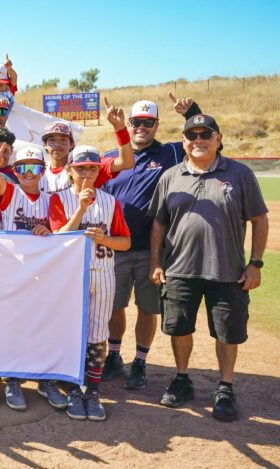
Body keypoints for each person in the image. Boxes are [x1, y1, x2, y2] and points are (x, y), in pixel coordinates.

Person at [148, 114, 268, 422]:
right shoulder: (170, 176)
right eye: (192, 135)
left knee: (227, 332)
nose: (198, 140)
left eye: (206, 134)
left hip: (227, 270)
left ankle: (225, 387)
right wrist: (156, 263)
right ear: (184, 141)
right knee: (179, 327)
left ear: (218, 138)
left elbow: (259, 218)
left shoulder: (239, 173)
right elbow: (159, 224)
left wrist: (255, 264)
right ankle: (182, 378)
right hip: (179, 268)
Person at [101, 94, 203, 389]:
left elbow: (204, 141)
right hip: (115, 246)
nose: (141, 127)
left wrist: (191, 113)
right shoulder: (112, 156)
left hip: (151, 250)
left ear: (157, 125)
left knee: (147, 308)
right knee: (114, 306)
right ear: (128, 124)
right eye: (136, 122)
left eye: (148, 122)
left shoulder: (169, 153)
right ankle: (115, 356)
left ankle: (140, 362)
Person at [49, 144, 132, 422]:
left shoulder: (110, 201)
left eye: (92, 168)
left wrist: (106, 239)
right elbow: (57, 238)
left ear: (99, 171)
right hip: (70, 275)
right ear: (70, 170)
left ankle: (92, 391)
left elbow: (125, 242)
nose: (86, 172)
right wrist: (81, 210)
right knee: (71, 331)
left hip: (103, 272)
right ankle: (73, 389)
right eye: (80, 167)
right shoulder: (59, 199)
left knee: (97, 333)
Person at [0, 143, 68, 410]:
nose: (28, 173)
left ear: (43, 170)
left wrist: (49, 231)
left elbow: (61, 232)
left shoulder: (52, 199)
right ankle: (12, 379)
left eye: (34, 167)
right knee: (14, 327)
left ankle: (45, 379)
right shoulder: (10, 191)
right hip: (12, 271)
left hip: (43, 274)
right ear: (16, 170)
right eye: (22, 168)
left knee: (44, 326)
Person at [39, 98, 135, 194]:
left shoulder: (88, 166)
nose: (57, 144)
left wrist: (120, 129)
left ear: (72, 144)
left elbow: (126, 162)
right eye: (52, 140)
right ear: (44, 144)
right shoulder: (37, 172)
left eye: (63, 139)